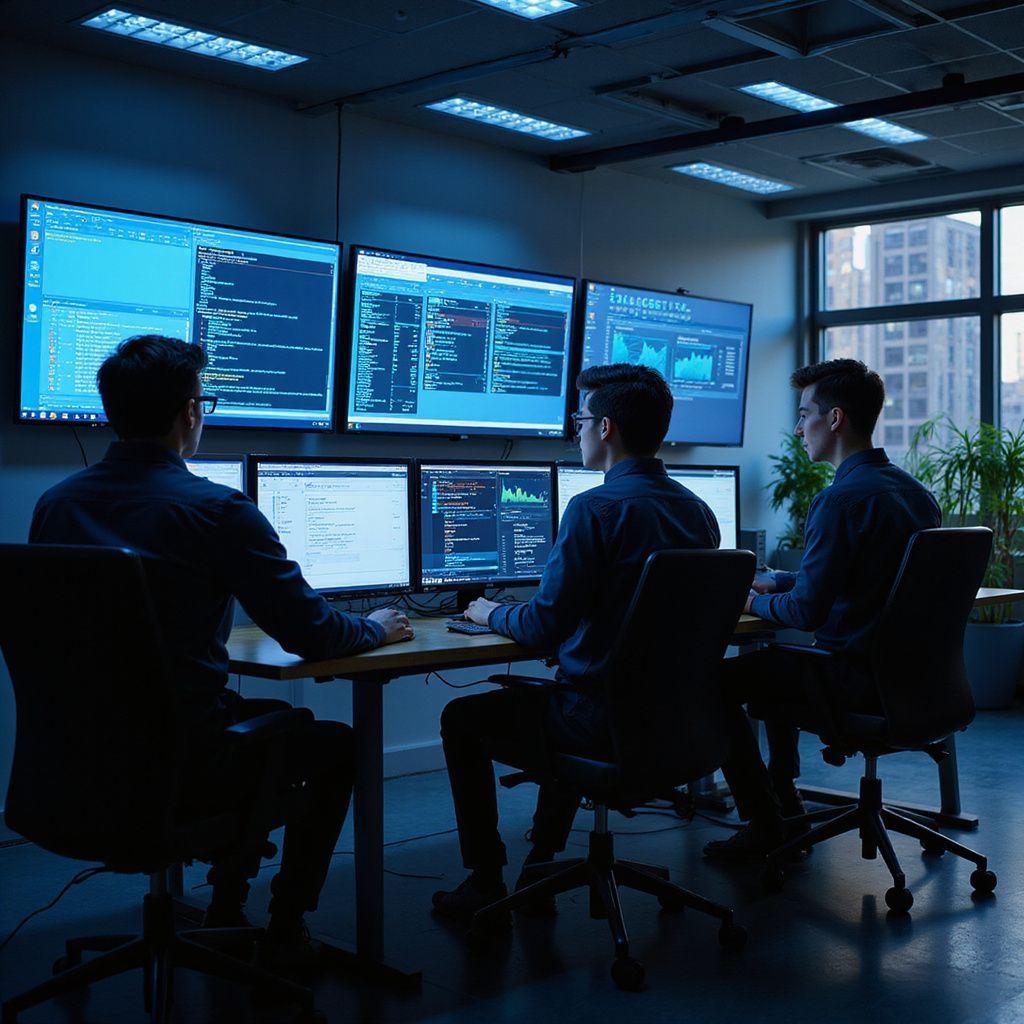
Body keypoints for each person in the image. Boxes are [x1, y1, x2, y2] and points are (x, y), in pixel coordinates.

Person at [29, 334, 414, 969]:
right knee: (331, 744)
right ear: (190, 413)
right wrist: (375, 627)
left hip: (68, 769)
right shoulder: (215, 509)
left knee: (265, 721)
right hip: (183, 770)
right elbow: (314, 635)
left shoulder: (56, 504)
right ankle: (283, 926)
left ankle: (228, 907)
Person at [431, 364, 721, 921]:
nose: (576, 431)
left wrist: (490, 611)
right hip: (678, 723)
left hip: (600, 721)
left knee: (464, 717)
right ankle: (540, 863)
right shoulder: (698, 511)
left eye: (580, 420)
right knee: (557, 696)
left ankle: (486, 880)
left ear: (605, 428)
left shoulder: (594, 508)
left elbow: (543, 626)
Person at [703, 358, 941, 862]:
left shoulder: (838, 500)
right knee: (773, 670)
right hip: (915, 682)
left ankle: (766, 821)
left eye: (803, 414)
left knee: (715, 681)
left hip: (849, 678)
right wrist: (780, 580)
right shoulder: (916, 495)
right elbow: (870, 577)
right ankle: (784, 799)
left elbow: (806, 612)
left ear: (834, 419)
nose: (797, 429)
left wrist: (751, 599)